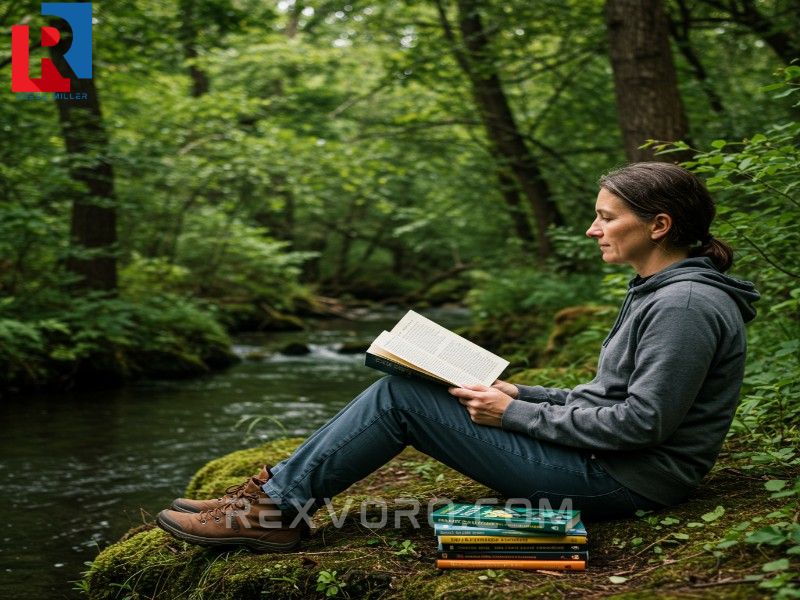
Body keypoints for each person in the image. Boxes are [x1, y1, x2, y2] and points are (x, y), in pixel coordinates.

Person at [156, 162, 759, 552]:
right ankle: (273, 498)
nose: (591, 229)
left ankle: (274, 511)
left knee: (399, 397)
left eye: (606, 217)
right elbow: (614, 399)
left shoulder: (683, 306)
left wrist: (511, 415)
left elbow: (643, 424)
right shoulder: (661, 292)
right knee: (420, 383)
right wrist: (524, 395)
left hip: (627, 481)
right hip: (608, 463)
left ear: (658, 225)